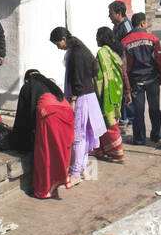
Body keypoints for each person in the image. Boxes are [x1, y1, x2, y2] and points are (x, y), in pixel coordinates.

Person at [49, 28, 107, 188]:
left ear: (62, 39)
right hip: (88, 95)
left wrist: (73, 99)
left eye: (57, 43)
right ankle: (80, 168)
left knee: (78, 135)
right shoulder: (80, 50)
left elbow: (77, 78)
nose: (58, 47)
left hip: (81, 97)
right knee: (86, 134)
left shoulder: (75, 54)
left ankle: (75, 173)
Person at [14, 70, 75, 198]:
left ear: (26, 80)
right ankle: (58, 182)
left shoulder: (28, 86)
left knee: (45, 152)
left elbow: (23, 117)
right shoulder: (50, 84)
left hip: (50, 115)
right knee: (59, 151)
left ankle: (44, 190)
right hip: (67, 115)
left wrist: (18, 141)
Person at [121, 14, 161, 145]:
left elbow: (124, 66)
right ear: (142, 24)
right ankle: (156, 134)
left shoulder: (125, 42)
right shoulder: (153, 39)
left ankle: (139, 138)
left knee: (138, 111)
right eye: (146, 22)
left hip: (136, 81)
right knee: (154, 109)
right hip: (152, 79)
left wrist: (127, 86)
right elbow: (160, 59)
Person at [92, 27, 127, 163]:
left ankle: (117, 152)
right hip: (116, 91)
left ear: (102, 38)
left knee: (110, 123)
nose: (96, 39)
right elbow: (122, 72)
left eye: (97, 36)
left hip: (107, 93)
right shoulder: (114, 52)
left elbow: (99, 75)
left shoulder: (102, 53)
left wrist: (97, 89)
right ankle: (103, 150)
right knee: (108, 122)